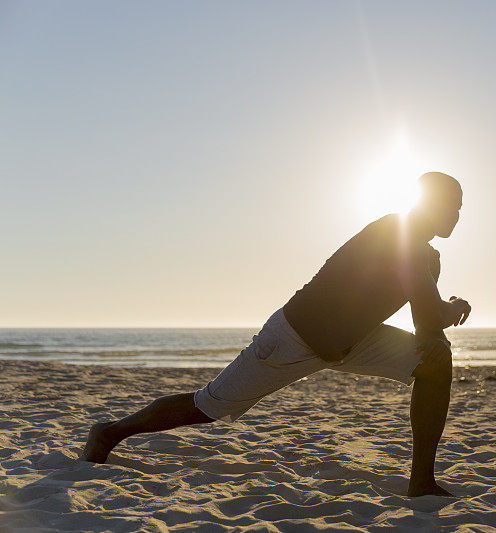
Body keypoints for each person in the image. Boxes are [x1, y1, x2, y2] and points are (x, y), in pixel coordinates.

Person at [81, 171, 471, 497]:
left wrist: (444, 321)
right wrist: (447, 316)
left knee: (435, 364)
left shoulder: (429, 257)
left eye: (460, 207)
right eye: (452, 204)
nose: (457, 214)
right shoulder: (395, 232)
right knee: (207, 407)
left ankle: (421, 481)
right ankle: (110, 432)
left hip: (354, 341)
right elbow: (430, 318)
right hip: (294, 337)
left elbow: (428, 319)